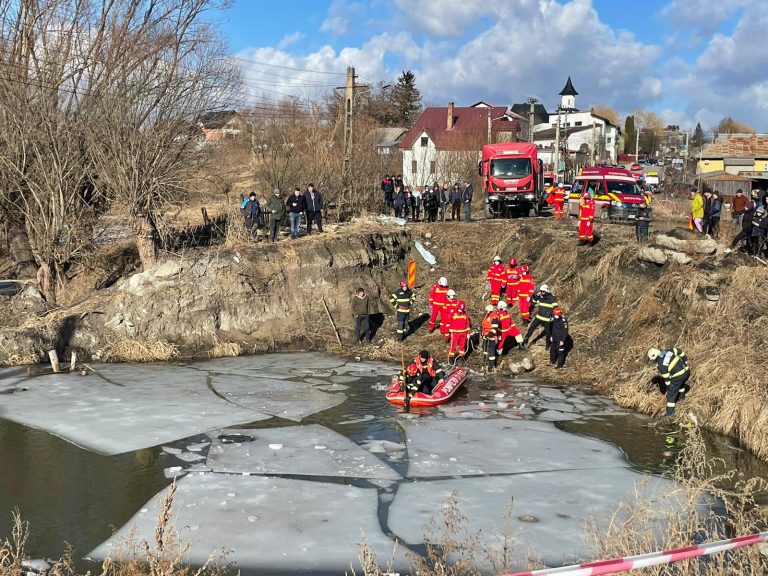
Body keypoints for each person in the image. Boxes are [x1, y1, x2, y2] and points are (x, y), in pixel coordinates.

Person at [647, 346, 691, 417]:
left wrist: (669, 388)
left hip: (679, 375)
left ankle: (670, 414)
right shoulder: (667, 351)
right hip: (687, 371)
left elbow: (667, 379)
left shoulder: (660, 365)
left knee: (671, 395)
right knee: (681, 385)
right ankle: (681, 399)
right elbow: (678, 350)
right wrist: (685, 359)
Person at [523, 283, 559, 348]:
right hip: (538, 317)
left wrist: (553, 317)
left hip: (547, 319)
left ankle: (548, 345)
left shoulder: (551, 298)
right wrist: (536, 296)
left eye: (542, 291)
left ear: (546, 291)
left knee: (548, 333)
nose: (541, 293)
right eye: (540, 291)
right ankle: (525, 340)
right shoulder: (540, 297)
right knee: (531, 328)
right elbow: (534, 303)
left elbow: (556, 308)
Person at [480, 304, 500, 370]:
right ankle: (484, 364)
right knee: (485, 351)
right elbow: (483, 325)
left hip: (491, 337)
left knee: (491, 352)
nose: (486, 312)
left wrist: (488, 336)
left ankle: (491, 366)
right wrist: (483, 335)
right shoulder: (487, 316)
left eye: (487, 310)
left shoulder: (494, 318)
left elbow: (494, 330)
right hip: (485, 336)